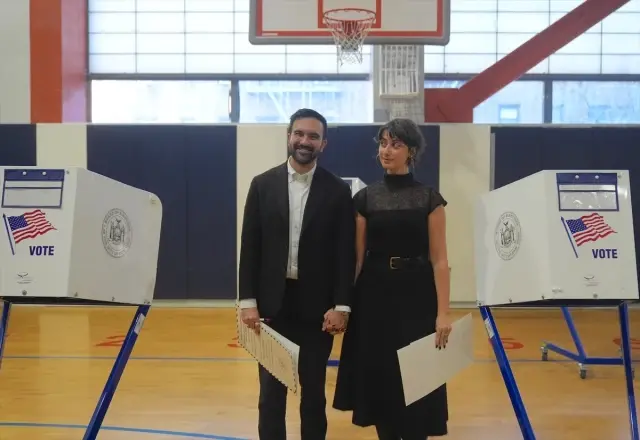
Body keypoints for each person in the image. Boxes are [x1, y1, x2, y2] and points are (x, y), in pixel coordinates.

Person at [237, 108, 356, 440]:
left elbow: (344, 253)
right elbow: (250, 247)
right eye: (299, 133)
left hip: (318, 310)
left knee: (314, 396)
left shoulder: (337, 191)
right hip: (272, 307)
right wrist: (248, 301)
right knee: (270, 396)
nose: (305, 141)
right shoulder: (261, 185)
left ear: (323, 144)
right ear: (288, 136)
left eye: (313, 136)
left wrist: (341, 305)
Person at [332, 118, 452, 440]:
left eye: (395, 144)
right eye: (383, 143)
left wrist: (443, 313)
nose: (386, 150)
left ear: (411, 151)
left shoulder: (430, 199)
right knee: (381, 379)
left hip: (417, 297)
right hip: (374, 297)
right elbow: (357, 261)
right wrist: (344, 305)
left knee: (417, 377)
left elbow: (440, 260)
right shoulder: (365, 199)